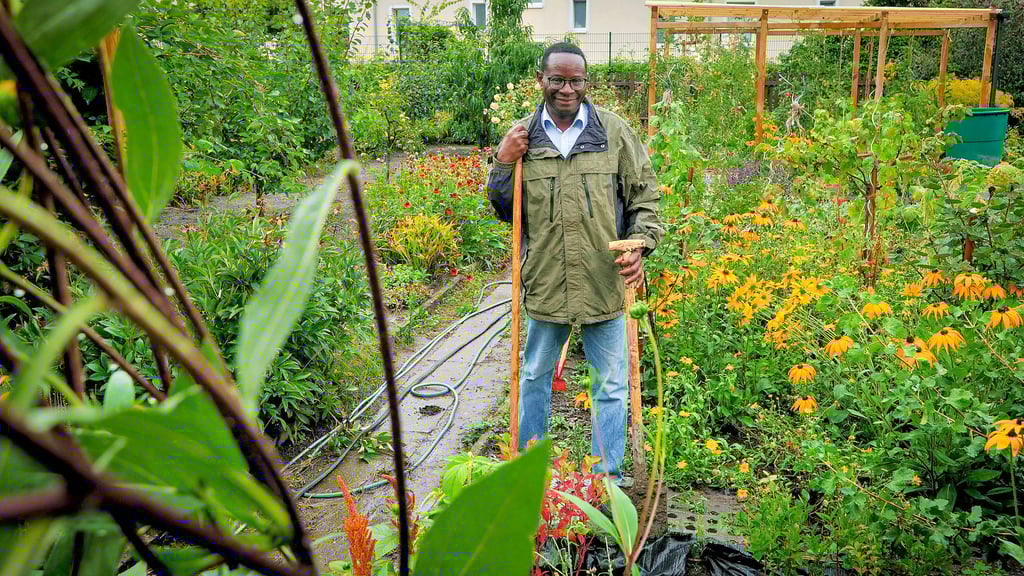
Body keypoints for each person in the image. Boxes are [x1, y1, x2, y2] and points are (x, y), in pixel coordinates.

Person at [486, 42, 663, 481]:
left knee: (611, 385)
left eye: (576, 81)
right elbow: (505, 209)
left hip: (605, 279)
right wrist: (503, 162)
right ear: (541, 80)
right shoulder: (523, 138)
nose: (567, 89)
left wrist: (640, 245)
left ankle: (607, 481)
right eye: (557, 80)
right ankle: (530, 475)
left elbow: (644, 197)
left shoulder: (614, 132)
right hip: (546, 280)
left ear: (586, 82)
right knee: (534, 378)